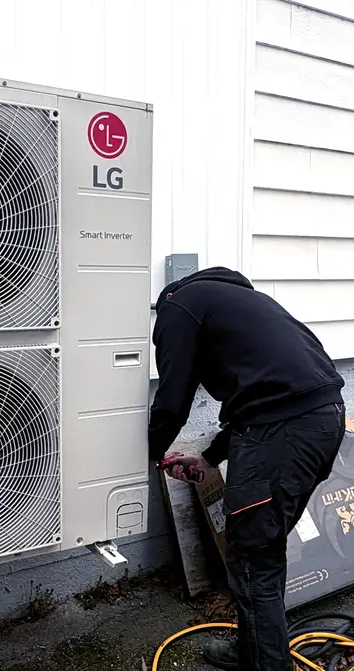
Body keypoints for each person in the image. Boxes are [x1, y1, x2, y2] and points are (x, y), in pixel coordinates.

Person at [148, 266, 347, 671]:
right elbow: (266, 399)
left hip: (282, 433)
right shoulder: (247, 303)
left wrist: (148, 454)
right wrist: (208, 457)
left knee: (254, 559)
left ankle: (265, 663)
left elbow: (171, 398)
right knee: (262, 547)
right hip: (325, 421)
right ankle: (253, 649)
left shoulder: (177, 306)